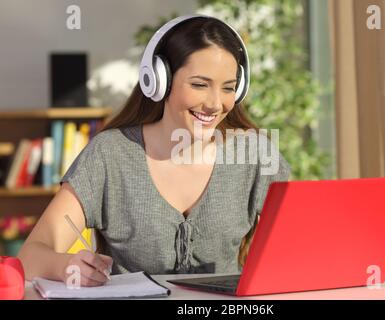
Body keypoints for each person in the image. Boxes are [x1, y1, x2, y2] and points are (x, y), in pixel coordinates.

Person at [18, 15, 291, 287]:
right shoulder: (110, 154)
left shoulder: (254, 155)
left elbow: (305, 244)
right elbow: (31, 256)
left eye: (229, 88)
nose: (215, 104)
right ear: (161, 80)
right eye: (199, 84)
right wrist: (67, 266)